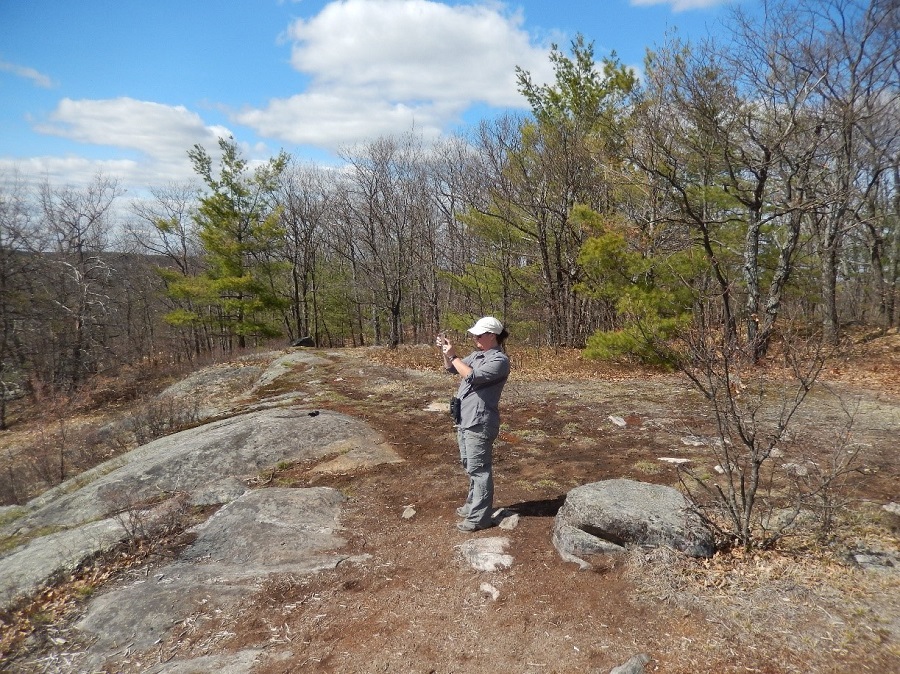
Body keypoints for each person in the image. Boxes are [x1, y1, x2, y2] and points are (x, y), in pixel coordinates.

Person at [436, 316, 510, 532]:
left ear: (492, 336)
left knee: (479, 469)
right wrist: (447, 353)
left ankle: (479, 518)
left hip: (481, 420)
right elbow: (452, 368)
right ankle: (472, 506)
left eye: (479, 334)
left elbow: (472, 376)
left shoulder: (499, 360)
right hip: (465, 418)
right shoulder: (478, 355)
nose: (474, 337)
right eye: (474, 334)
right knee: (470, 464)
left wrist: (454, 355)